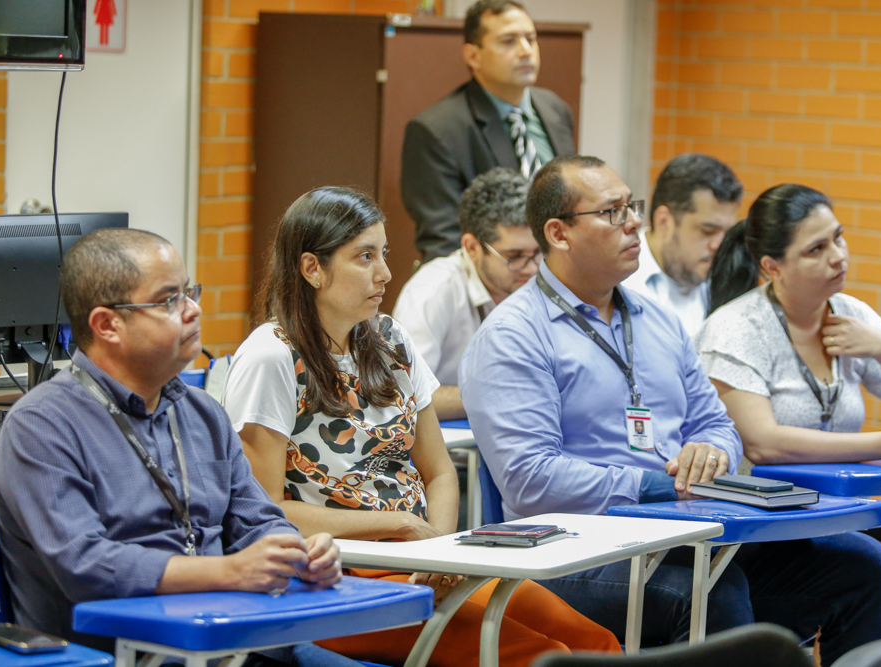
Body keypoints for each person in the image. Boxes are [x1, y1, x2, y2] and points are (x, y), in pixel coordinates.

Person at [459, 155, 881, 666]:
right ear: (558, 233)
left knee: (867, 569)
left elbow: (716, 423)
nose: (634, 223)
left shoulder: (657, 320)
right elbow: (529, 479)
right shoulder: (513, 335)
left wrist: (711, 453)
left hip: (687, 533)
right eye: (611, 212)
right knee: (711, 593)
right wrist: (657, 484)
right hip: (574, 552)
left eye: (633, 206)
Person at [221, 187, 621, 667]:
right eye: (364, 257)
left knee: (594, 644)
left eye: (383, 253)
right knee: (540, 656)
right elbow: (266, 512)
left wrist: (441, 553)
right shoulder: (271, 356)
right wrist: (403, 526)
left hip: (419, 560)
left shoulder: (390, 339)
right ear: (312, 269)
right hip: (330, 577)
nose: (385, 273)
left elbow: (439, 472)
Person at [0, 228, 354, 667]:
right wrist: (230, 572)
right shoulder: (41, 425)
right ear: (108, 325)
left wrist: (299, 554)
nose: (194, 310)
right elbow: (85, 565)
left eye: (190, 292)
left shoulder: (203, 414)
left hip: (239, 640)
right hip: (126, 654)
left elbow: (259, 521)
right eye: (169, 301)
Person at [697, 183, 881, 634]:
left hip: (837, 508)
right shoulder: (735, 329)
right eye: (816, 249)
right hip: (762, 518)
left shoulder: (850, 316)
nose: (838, 256)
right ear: (772, 266)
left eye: (838, 238)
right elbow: (764, 444)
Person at [401, 0, 576, 263]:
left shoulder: (555, 109)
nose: (525, 51)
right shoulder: (437, 130)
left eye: (531, 39)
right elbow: (444, 241)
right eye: (508, 41)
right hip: (494, 283)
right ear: (473, 55)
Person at [394, 167, 539, 420]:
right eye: (514, 257)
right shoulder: (431, 291)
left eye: (538, 252)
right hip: (450, 447)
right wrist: (504, 396)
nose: (532, 267)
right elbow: (404, 396)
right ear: (472, 247)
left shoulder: (541, 280)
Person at [623, 153, 742, 336]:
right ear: (664, 223)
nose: (719, 245)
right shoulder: (616, 282)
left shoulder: (729, 285)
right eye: (707, 231)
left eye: (727, 233)